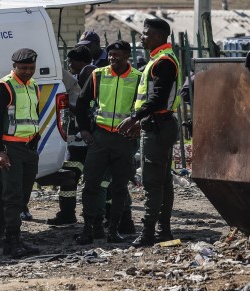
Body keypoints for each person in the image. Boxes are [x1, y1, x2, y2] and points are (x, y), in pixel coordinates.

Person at [118, 18, 182, 247]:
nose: (142, 37)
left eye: (145, 34)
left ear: (157, 36)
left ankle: (148, 233)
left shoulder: (163, 62)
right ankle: (163, 231)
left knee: (153, 183)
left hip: (158, 126)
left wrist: (135, 117)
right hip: (158, 123)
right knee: (163, 181)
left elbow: (158, 98)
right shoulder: (161, 59)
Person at [73, 40, 140, 244]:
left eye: (117, 55)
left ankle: (113, 230)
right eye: (110, 55)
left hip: (124, 139)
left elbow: (144, 106)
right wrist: (84, 129)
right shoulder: (98, 74)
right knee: (91, 184)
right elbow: (82, 103)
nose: (113, 58)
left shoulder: (138, 78)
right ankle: (88, 230)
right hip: (100, 137)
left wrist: (138, 125)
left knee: (119, 186)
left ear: (127, 56)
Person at [0, 48, 42, 259]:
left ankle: (17, 239)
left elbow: (33, 115)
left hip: (28, 148)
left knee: (23, 197)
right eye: (23, 68)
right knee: (12, 197)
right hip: (11, 149)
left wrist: (35, 140)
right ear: (14, 67)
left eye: (31, 68)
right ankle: (10, 242)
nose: (28, 71)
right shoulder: (3, 87)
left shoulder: (34, 86)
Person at [47, 46, 95, 226]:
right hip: (86, 138)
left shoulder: (84, 77)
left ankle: (68, 214)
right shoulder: (94, 76)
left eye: (71, 60)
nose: (69, 64)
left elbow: (80, 107)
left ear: (81, 62)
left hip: (79, 140)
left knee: (69, 177)